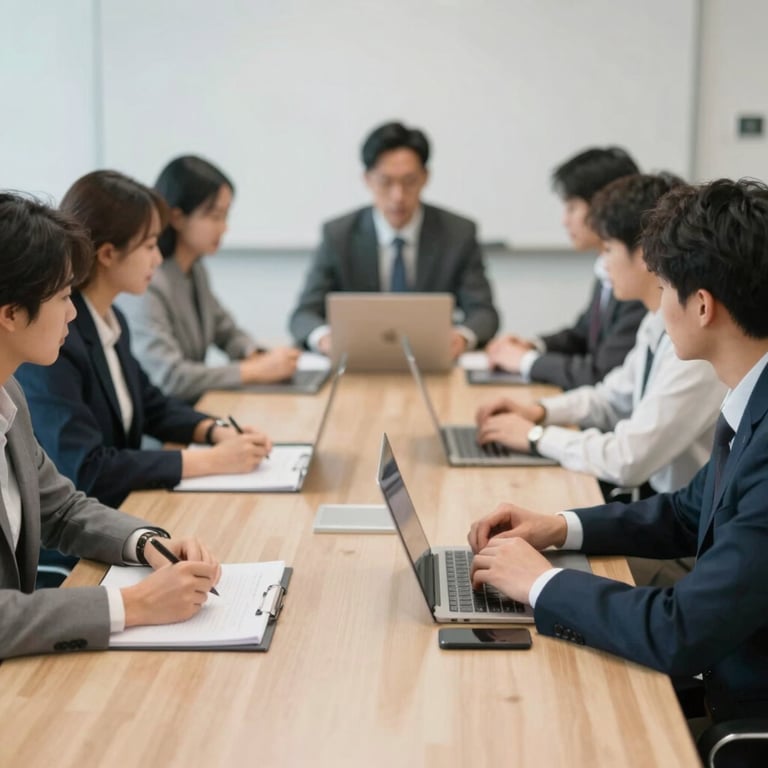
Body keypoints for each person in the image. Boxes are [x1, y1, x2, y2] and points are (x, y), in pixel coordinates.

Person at [469, 178, 768, 725]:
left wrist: (538, 582)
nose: (656, 310)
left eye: (664, 290)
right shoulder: (751, 393)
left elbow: (681, 630)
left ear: (701, 305)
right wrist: (556, 527)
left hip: (741, 713)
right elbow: (684, 512)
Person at [0, 191, 221, 660]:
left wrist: (146, 543)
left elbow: (61, 509)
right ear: (11, 314)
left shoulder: (8, 394)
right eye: (62, 296)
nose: (74, 312)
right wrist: (130, 604)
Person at [16, 171, 272, 510]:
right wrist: (213, 461)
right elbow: (88, 469)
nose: (158, 258)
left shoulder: (109, 319)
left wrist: (214, 430)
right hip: (81, 537)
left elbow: (152, 405)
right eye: (150, 246)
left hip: (124, 509)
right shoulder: (54, 340)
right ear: (107, 254)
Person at [288, 121, 499, 357]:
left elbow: (484, 313)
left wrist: (462, 337)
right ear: (367, 179)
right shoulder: (339, 235)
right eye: (385, 182)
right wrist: (325, 339)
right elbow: (304, 315)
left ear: (425, 177)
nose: (398, 196)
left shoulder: (457, 233)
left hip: (431, 360)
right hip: (359, 363)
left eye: (409, 182)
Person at [118, 155, 299, 404]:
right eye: (215, 216)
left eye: (226, 216)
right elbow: (169, 377)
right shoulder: (147, 282)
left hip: (195, 408)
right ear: (177, 217)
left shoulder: (195, 268)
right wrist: (255, 371)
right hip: (165, 427)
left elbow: (224, 330)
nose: (224, 228)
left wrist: (254, 352)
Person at [486, 147, 646, 389]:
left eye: (572, 207)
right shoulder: (606, 265)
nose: (564, 220)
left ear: (603, 205)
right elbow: (582, 336)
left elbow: (602, 372)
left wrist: (526, 362)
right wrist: (533, 346)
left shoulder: (638, 278)